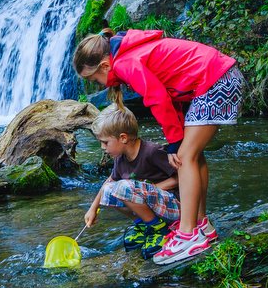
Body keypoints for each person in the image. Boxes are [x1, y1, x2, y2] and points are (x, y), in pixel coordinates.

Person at [73, 28, 244, 264]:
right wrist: (177, 135)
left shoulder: (125, 62)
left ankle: (188, 234)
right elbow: (169, 91)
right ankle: (200, 223)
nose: (99, 86)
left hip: (215, 81)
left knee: (184, 156)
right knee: (194, 155)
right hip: (218, 78)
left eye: (94, 80)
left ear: (104, 66)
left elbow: (157, 98)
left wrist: (174, 142)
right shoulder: (128, 53)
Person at [85, 104, 180, 260]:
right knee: (109, 190)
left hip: (173, 206)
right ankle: (143, 224)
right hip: (152, 206)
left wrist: (153, 188)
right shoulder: (120, 158)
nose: (102, 147)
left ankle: (159, 230)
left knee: (122, 187)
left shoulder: (152, 151)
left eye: (105, 142)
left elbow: (181, 176)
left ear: (123, 138)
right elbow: (109, 183)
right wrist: (93, 209)